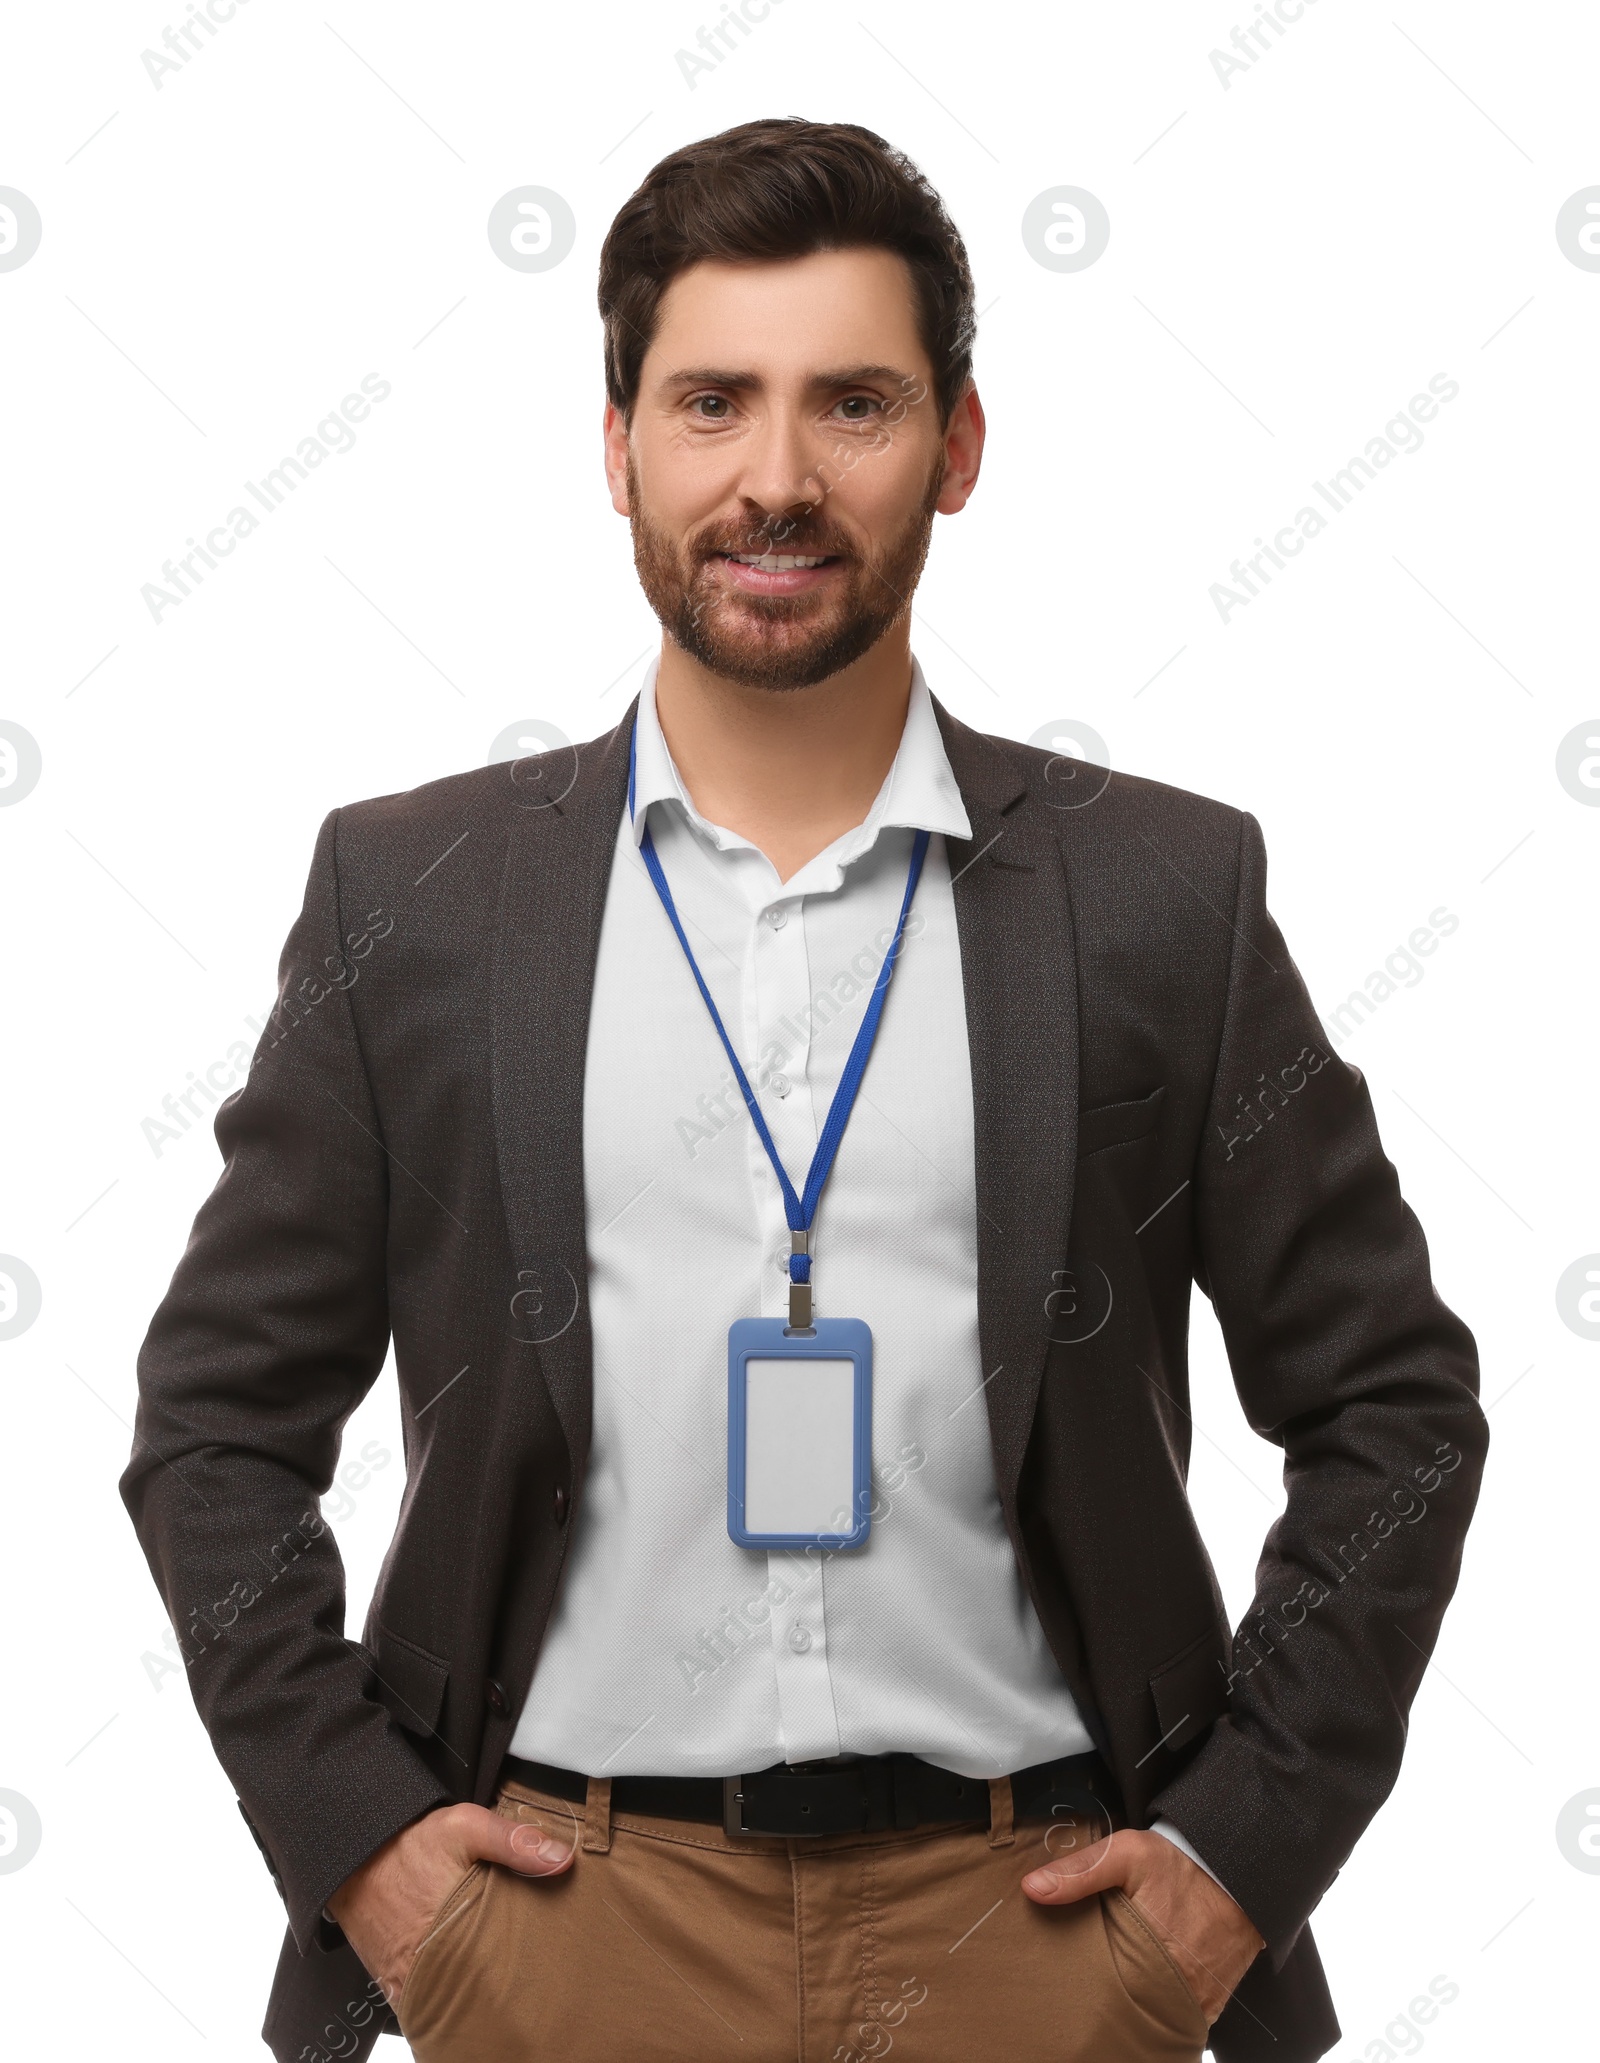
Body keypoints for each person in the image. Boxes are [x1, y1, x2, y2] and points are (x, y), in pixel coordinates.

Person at [122, 118, 1486, 2063]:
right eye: (710, 403)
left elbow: (1391, 1410)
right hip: (558, 1928)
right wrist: (368, 1855)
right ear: (615, 451)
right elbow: (214, 1424)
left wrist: (1231, 1863)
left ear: (959, 444)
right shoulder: (413, 901)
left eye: (850, 403)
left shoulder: (1160, 898)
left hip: (1040, 1930)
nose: (775, 479)